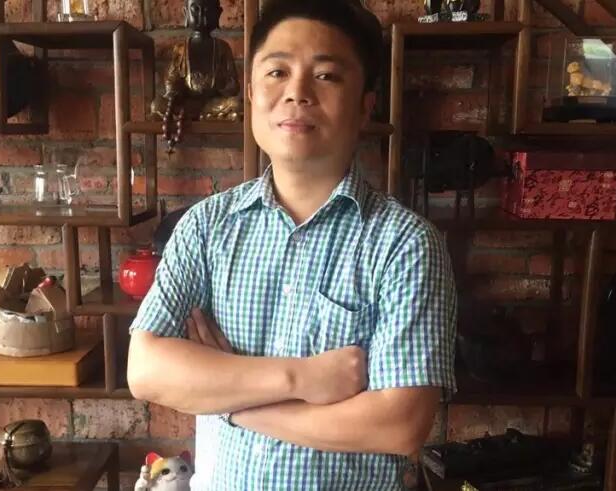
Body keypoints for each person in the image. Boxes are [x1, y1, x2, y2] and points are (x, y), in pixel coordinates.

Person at [127, 0, 457, 489]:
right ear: (251, 92)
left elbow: (399, 424)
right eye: (277, 72)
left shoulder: (405, 244)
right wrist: (302, 378)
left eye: (326, 76)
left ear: (365, 106)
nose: (297, 92)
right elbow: (147, 370)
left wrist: (233, 404)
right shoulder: (205, 227)